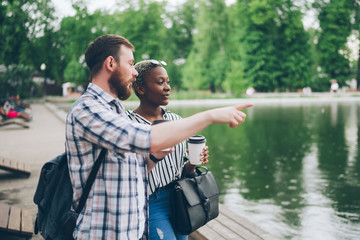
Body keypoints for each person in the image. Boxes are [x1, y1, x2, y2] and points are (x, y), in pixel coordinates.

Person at [65, 34, 252, 240]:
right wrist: (210, 115)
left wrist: (154, 158)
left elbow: (132, 170)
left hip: (128, 232)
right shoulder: (87, 109)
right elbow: (145, 137)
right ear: (111, 63)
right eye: (130, 63)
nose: (135, 72)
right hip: (101, 233)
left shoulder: (114, 109)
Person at [126, 60, 209, 240]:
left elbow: (181, 169)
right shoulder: (128, 124)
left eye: (168, 82)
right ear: (140, 89)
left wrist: (193, 163)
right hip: (151, 203)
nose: (167, 88)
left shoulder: (176, 120)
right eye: (160, 82)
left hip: (179, 197)